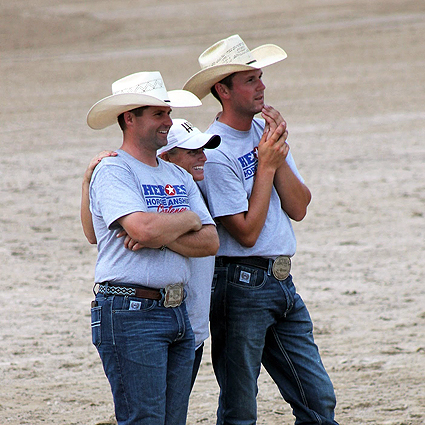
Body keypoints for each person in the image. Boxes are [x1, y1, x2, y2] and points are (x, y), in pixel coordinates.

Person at [183, 34, 339, 424]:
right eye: (251, 79)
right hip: (240, 285)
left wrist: (276, 151)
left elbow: (299, 207)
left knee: (318, 399)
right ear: (223, 89)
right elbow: (246, 233)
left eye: (260, 77)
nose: (262, 86)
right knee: (240, 407)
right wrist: (266, 165)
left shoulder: (261, 135)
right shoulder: (215, 152)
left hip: (282, 281)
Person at [85, 70, 219, 425]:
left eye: (168, 113)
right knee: (145, 419)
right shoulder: (114, 170)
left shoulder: (178, 175)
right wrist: (187, 219)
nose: (168, 122)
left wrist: (162, 232)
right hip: (130, 310)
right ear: (130, 118)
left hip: (176, 311)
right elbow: (141, 228)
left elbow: (210, 241)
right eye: (159, 114)